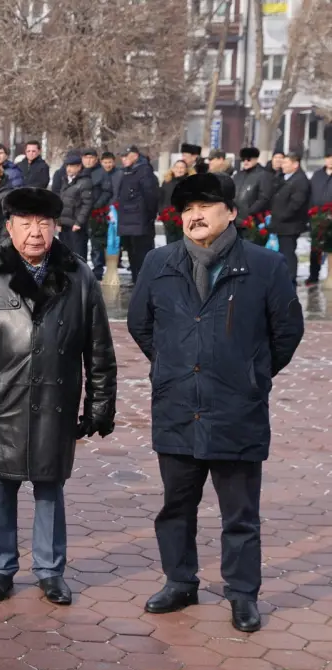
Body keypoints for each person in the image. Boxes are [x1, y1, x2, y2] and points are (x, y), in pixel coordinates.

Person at [127, 164, 304, 633]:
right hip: (178, 405)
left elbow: (287, 330)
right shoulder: (158, 263)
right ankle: (179, 581)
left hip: (236, 410)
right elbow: (139, 324)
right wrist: (170, 366)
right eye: (187, 208)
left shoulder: (265, 266)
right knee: (175, 506)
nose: (195, 216)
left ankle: (242, 594)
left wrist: (251, 374)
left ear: (231, 212)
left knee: (240, 514)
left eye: (205, 206)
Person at [0, 187, 116, 606]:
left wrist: (99, 406)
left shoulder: (78, 276)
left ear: (55, 227)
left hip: (55, 403)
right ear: (9, 227)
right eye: (25, 223)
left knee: (50, 490)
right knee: (0, 492)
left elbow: (98, 347)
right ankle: (0, 568)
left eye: (43, 223)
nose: (35, 233)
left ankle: (49, 570)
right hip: (0, 404)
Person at [114, 145, 159, 284]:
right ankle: (137, 281)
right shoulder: (127, 171)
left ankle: (144, 283)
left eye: (126, 156)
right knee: (133, 254)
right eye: (122, 156)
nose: (123, 159)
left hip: (140, 221)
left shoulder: (144, 171)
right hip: (128, 222)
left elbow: (150, 196)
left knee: (142, 253)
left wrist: (149, 215)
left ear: (135, 155)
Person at [270, 151, 311, 286]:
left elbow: (296, 203)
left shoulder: (300, 180)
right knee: (282, 251)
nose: (282, 165)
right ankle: (283, 275)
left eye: (286, 162)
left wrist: (281, 216)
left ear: (295, 164)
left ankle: (290, 277)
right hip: (281, 223)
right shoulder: (285, 177)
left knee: (288, 252)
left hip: (290, 224)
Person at [57, 152, 93, 261]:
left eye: (72, 166)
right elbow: (61, 201)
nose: (68, 169)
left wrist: (79, 223)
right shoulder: (66, 180)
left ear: (79, 167)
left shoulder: (85, 182)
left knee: (78, 255)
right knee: (65, 254)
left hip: (76, 225)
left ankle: (80, 277)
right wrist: (58, 221)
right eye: (67, 166)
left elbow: (87, 204)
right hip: (64, 224)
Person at [89, 152, 119, 281]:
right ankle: (98, 268)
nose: (108, 165)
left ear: (114, 162)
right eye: (105, 162)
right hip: (99, 212)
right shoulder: (96, 174)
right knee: (97, 242)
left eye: (110, 162)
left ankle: (113, 267)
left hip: (114, 211)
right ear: (101, 162)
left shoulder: (119, 174)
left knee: (113, 241)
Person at [232, 146, 273, 231]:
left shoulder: (263, 175)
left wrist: (250, 212)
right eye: (243, 159)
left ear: (255, 159)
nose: (246, 161)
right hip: (235, 220)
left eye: (249, 159)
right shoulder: (238, 175)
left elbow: (264, 198)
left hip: (251, 221)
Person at [308, 152, 332, 286]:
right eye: (328, 158)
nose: (330, 161)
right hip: (317, 217)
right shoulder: (317, 175)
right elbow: (310, 194)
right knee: (316, 248)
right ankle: (313, 275)